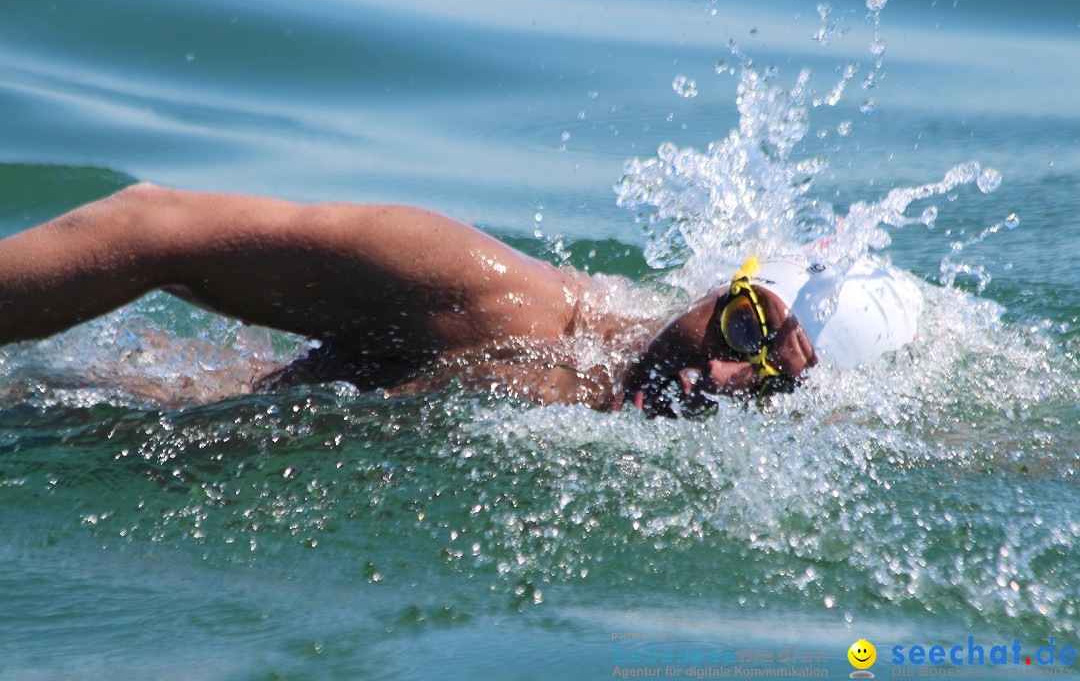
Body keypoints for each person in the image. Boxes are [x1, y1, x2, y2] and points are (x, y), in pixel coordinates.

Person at [0, 184, 920, 417]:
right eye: (744, 327)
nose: (720, 373)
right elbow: (152, 227)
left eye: (768, 382)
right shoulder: (491, 301)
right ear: (726, 286)